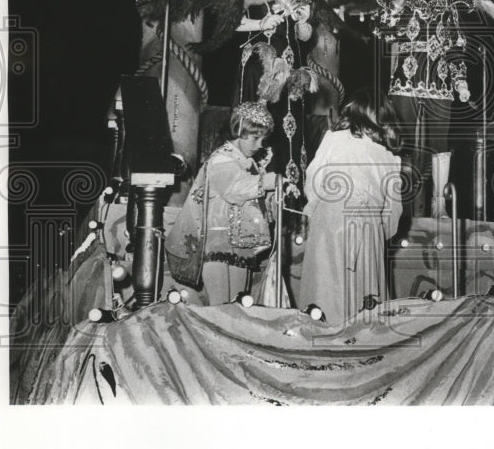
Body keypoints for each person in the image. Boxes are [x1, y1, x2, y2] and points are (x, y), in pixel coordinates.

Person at [299, 90, 404, 326]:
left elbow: (314, 178)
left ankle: (320, 338)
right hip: (369, 228)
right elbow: (394, 212)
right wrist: (378, 233)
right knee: (365, 301)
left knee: (324, 293)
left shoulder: (334, 138)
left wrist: (313, 211)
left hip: (331, 222)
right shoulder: (389, 155)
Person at [165, 102, 280, 305]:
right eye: (255, 138)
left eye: (263, 138)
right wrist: (272, 181)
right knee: (220, 308)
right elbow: (235, 190)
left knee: (238, 307)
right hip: (217, 243)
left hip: (241, 243)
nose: (260, 144)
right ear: (239, 132)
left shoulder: (246, 163)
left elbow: (253, 201)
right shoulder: (221, 159)